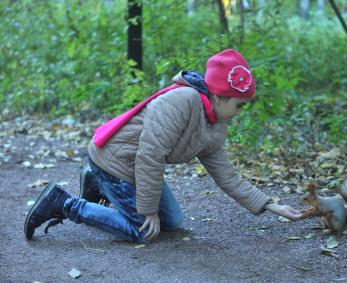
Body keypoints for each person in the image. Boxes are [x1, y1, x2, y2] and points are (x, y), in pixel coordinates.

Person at [24, 49, 303, 243]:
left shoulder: (215, 124)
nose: (241, 112)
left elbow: (226, 175)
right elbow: (150, 155)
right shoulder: (182, 101)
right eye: (239, 105)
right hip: (115, 161)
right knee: (144, 231)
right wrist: (146, 210)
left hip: (135, 167)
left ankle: (96, 185)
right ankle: (64, 203)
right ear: (219, 96)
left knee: (171, 222)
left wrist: (270, 206)